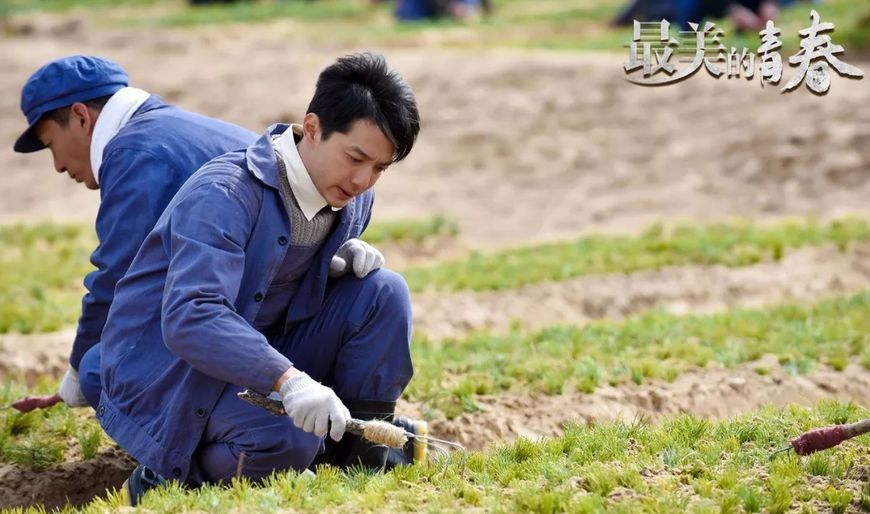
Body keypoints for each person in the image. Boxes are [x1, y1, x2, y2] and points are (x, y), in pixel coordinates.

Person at [94, 52, 422, 504]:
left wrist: (326, 264)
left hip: (257, 353)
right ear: (311, 127)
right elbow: (193, 317)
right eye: (356, 157)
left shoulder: (351, 198)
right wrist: (289, 381)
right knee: (287, 439)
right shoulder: (224, 193)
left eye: (380, 168)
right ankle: (171, 475)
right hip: (172, 374)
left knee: (383, 293)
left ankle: (353, 453)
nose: (364, 180)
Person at [12, 55, 257, 411]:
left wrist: (78, 376)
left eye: (52, 145)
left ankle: (189, 455)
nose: (58, 165)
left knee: (104, 367)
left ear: (81, 117)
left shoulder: (133, 152)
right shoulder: (181, 128)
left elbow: (117, 278)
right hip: (282, 305)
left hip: (253, 324)